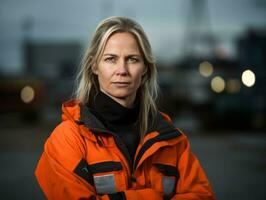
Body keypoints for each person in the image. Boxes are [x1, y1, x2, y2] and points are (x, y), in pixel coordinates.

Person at [35, 16, 215, 200]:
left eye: (132, 59)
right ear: (94, 66)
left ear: (145, 68)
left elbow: (202, 196)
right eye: (111, 59)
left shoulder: (172, 140)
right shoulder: (68, 139)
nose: (122, 70)